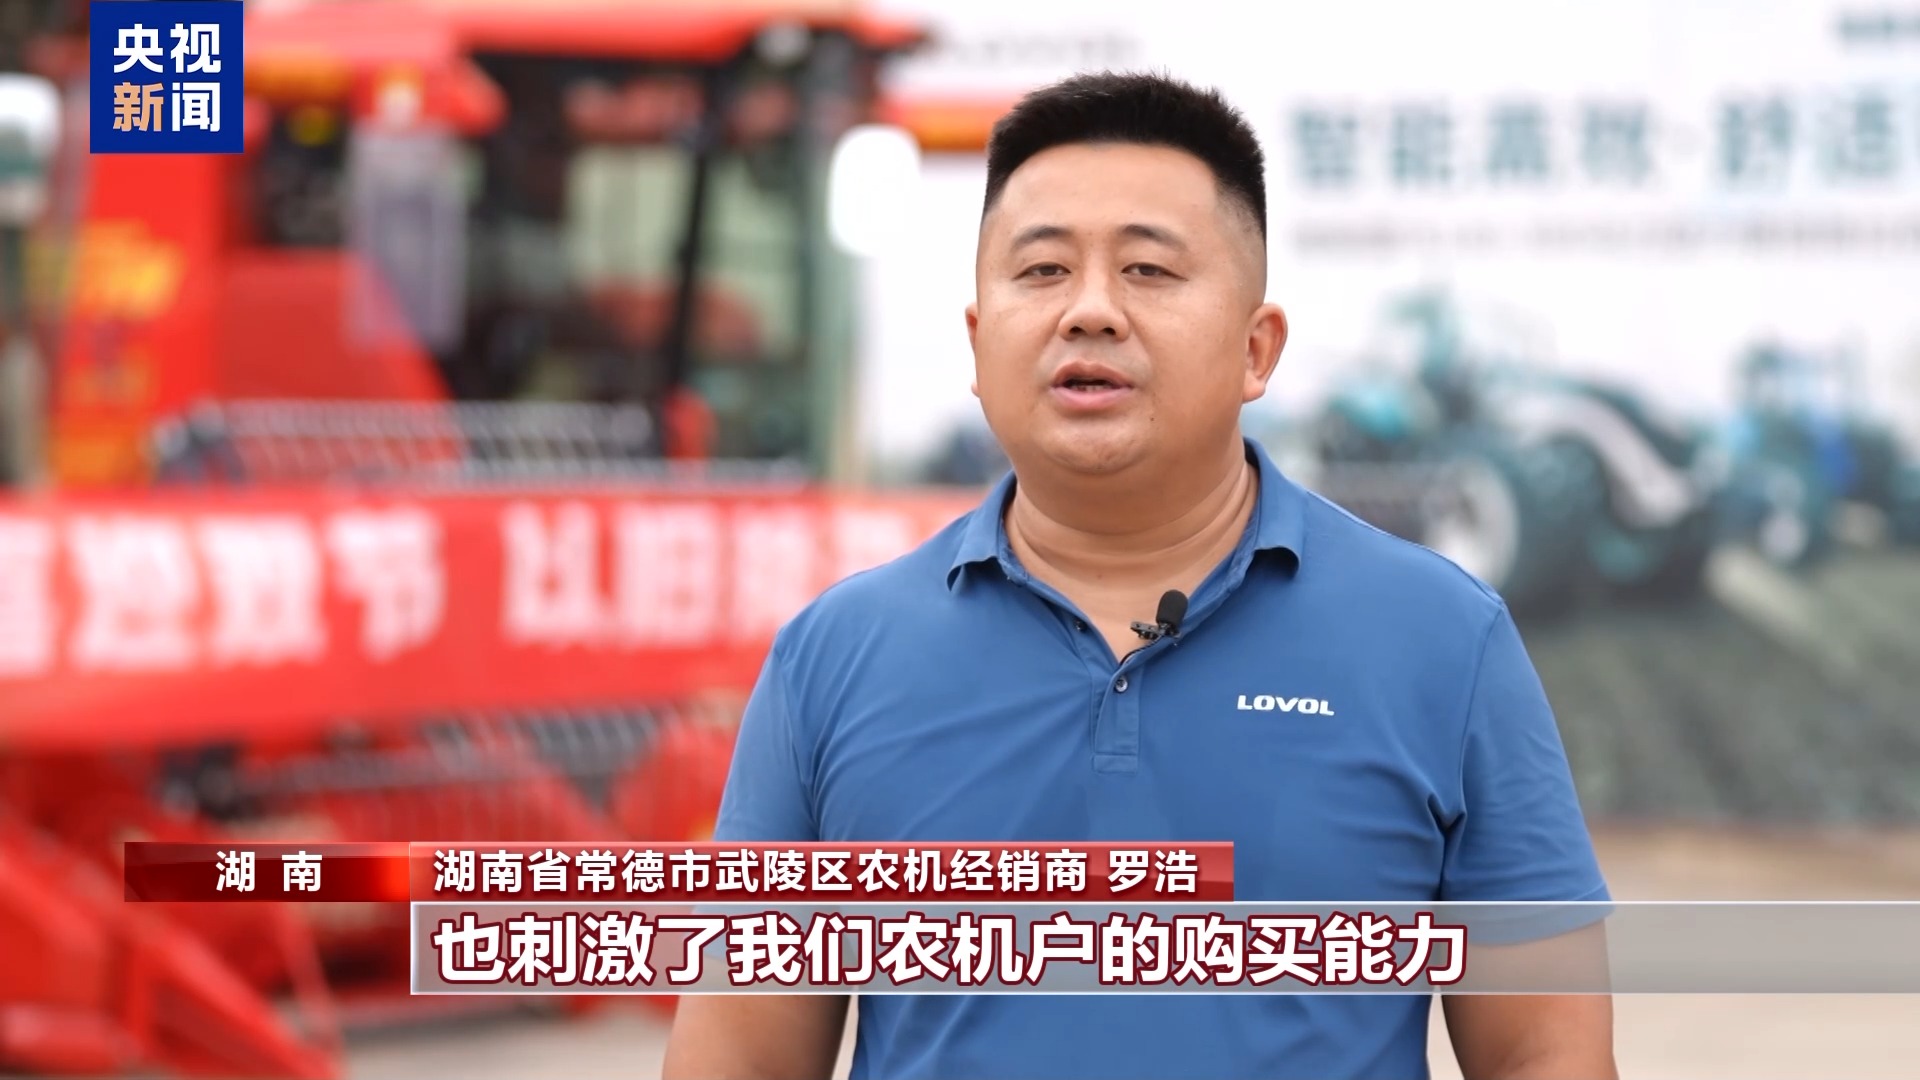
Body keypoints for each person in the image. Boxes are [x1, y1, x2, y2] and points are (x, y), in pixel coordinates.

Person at [663, 71, 1616, 1080]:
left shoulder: (1441, 641)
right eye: (1042, 270)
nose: (1090, 311)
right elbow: (739, 1061)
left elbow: (1544, 1054)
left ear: (1256, 349)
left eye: (1149, 270)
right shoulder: (834, 660)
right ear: (979, 346)